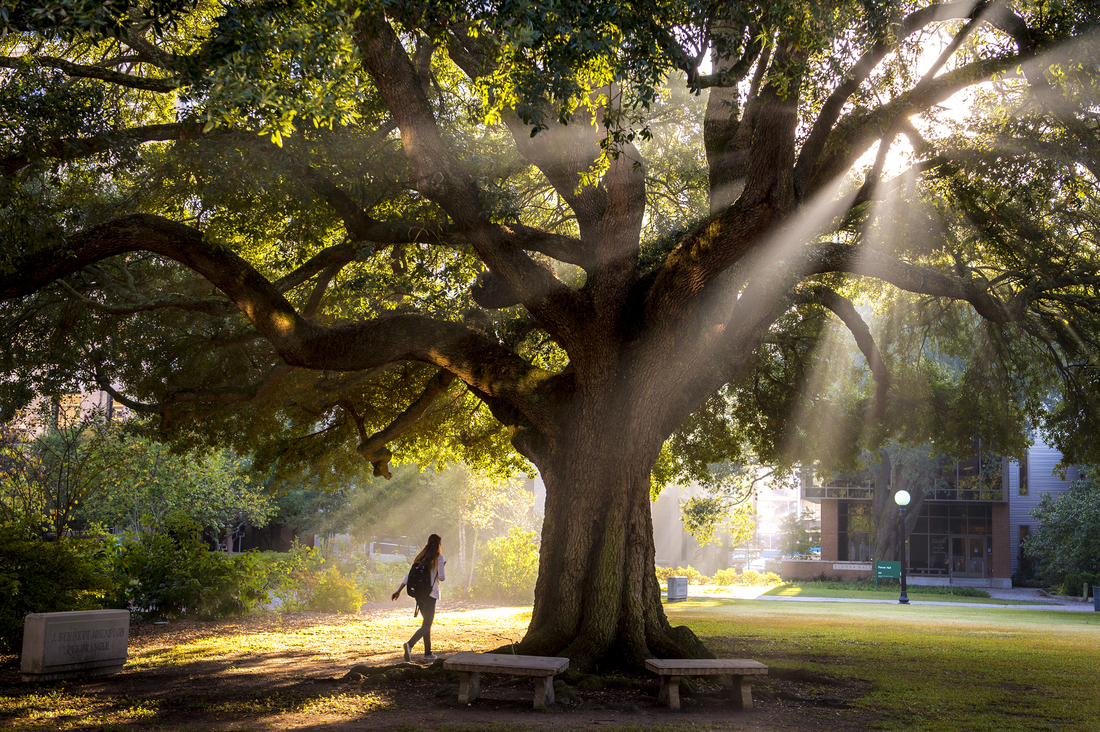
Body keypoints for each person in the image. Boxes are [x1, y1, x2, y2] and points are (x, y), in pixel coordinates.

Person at [392, 533, 446, 662]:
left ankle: (428, 653)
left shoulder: (420, 557)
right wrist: (441, 568)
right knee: (427, 624)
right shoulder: (438, 558)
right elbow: (442, 578)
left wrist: (398, 591)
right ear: (438, 544)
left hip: (419, 595)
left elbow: (408, 577)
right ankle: (410, 644)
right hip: (431, 595)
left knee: (425, 624)